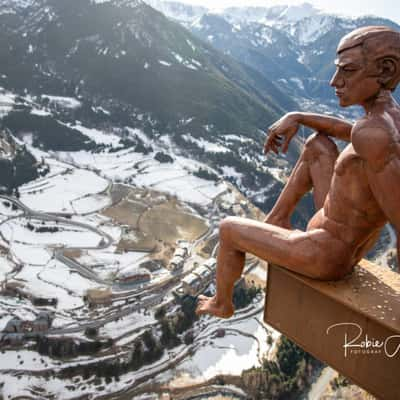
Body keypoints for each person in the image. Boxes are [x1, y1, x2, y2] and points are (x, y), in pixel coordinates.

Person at [196, 26, 400, 319]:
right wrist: (298, 116)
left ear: (385, 69)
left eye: (349, 71)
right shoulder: (386, 120)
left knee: (228, 228)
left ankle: (222, 304)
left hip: (328, 255)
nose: (334, 81)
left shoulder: (376, 134)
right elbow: (345, 130)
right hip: (334, 233)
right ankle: (278, 219)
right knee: (318, 144)